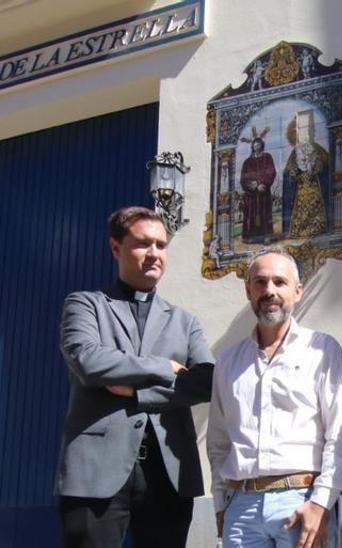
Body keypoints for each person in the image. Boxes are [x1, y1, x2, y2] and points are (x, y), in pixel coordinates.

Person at [57, 206, 215, 548]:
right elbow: (89, 360)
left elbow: (205, 382)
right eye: (143, 244)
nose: (154, 254)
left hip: (169, 473)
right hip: (95, 473)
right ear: (116, 248)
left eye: (161, 245)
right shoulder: (85, 305)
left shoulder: (184, 321)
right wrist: (164, 367)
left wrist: (134, 392)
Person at [208, 249, 342, 548]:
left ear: (298, 291)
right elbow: (219, 441)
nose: (269, 291)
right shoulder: (227, 361)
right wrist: (221, 503)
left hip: (302, 501)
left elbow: (339, 434)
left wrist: (321, 503)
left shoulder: (322, 350)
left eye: (279, 282)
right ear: (248, 289)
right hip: (242, 507)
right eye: (260, 282)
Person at [281, 110, 332, 238]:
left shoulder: (318, 150)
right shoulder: (295, 153)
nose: (303, 133)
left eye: (306, 130)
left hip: (316, 190)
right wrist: (292, 173)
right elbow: (289, 172)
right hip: (300, 192)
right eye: (300, 130)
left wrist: (315, 165)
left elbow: (325, 167)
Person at [240, 129, 277, 241]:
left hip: (263, 192)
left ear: (262, 145)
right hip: (251, 194)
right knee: (251, 214)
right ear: (252, 146)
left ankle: (266, 236)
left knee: (265, 214)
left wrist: (262, 183)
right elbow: (243, 178)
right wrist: (253, 185)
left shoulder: (267, 157)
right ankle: (251, 236)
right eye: (254, 144)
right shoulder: (247, 162)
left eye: (258, 144)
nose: (256, 146)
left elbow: (271, 171)